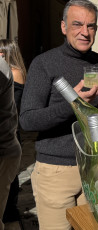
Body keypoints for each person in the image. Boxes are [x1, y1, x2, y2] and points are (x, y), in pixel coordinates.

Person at [19, 0, 98, 229]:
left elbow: (95, 112)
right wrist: (73, 103)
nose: (85, 32)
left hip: (91, 168)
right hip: (56, 171)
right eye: (77, 24)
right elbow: (27, 119)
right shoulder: (44, 63)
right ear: (63, 27)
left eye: (91, 26)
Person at [0, 39, 26, 229]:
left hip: (9, 139)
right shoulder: (11, 70)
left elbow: (14, 106)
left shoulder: (9, 71)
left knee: (9, 204)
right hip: (12, 137)